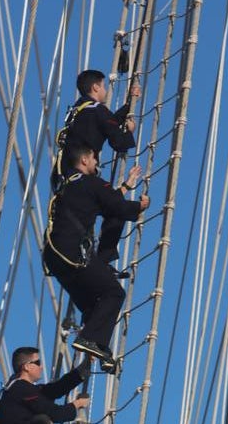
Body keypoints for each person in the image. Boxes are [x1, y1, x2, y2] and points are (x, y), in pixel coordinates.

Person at [43, 143, 150, 371]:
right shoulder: (92, 182)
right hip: (74, 254)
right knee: (114, 293)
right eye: (93, 158)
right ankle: (89, 339)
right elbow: (116, 207)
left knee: (95, 305)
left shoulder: (67, 185)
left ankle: (99, 349)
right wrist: (139, 206)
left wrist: (125, 186)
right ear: (84, 160)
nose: (96, 162)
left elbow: (103, 202)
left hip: (55, 258)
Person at [51, 67, 142, 191]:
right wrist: (130, 131)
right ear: (96, 87)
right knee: (109, 198)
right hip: (83, 177)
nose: (105, 91)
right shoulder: (98, 110)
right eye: (103, 86)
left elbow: (109, 122)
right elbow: (119, 143)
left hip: (64, 176)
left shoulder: (78, 109)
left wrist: (129, 105)